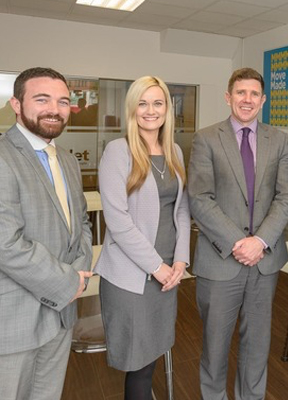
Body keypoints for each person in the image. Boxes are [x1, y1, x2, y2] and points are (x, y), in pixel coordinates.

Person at [188, 67, 288, 399]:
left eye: (254, 94)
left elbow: (286, 196)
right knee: (215, 346)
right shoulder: (206, 138)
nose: (247, 99)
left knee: (257, 345)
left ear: (263, 100)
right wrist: (239, 242)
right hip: (220, 260)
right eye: (240, 92)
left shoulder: (279, 140)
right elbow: (199, 198)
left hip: (264, 261)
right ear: (228, 97)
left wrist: (260, 241)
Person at [0, 67, 93, 399]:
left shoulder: (67, 160)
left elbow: (81, 224)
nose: (55, 109)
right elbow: (5, 244)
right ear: (16, 104)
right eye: (42, 99)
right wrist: (69, 282)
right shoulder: (3, 157)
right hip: (15, 319)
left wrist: (79, 274)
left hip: (61, 314)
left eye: (63, 101)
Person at [95, 76, 190, 400]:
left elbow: (181, 209)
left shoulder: (174, 150)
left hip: (167, 273)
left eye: (158, 103)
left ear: (167, 109)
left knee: (152, 355)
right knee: (138, 362)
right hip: (132, 276)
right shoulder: (118, 151)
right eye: (143, 103)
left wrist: (180, 260)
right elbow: (117, 221)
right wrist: (156, 267)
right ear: (132, 109)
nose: (151, 110)